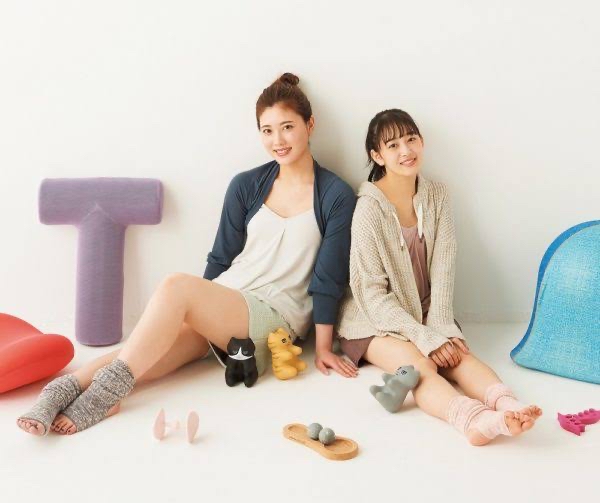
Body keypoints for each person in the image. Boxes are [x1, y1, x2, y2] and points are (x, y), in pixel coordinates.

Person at [17, 73, 357, 436]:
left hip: (275, 316)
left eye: (287, 127)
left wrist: (323, 347)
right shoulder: (246, 184)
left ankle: (105, 394)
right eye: (267, 130)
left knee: (176, 286)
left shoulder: (335, 195)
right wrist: (197, 313)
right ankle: (63, 389)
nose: (278, 141)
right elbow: (222, 257)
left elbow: (328, 278)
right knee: (146, 352)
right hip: (230, 302)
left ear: (310, 124)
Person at [336, 109, 542, 446]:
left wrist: (442, 326)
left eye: (411, 139)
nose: (406, 151)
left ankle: (509, 407)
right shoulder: (368, 210)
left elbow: (444, 265)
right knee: (420, 366)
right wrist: (425, 338)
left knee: (458, 355)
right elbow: (371, 295)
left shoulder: (437, 195)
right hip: (372, 321)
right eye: (393, 145)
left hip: (425, 310)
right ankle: (474, 422)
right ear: (378, 156)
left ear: (422, 141)